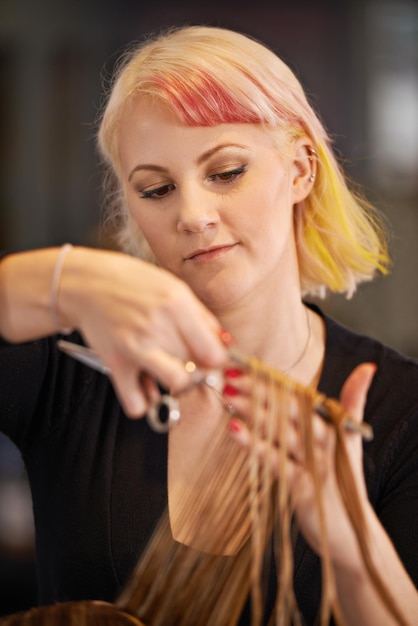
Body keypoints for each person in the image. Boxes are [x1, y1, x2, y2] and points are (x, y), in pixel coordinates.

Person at [0, 24, 417, 625]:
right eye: (157, 189)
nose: (192, 215)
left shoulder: (401, 413)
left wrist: (354, 549)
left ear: (300, 169)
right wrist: (57, 278)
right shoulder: (70, 370)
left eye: (225, 173)